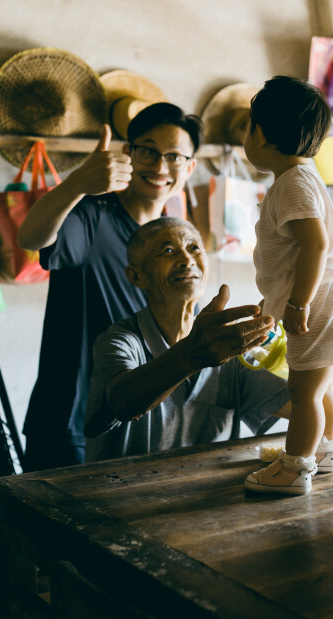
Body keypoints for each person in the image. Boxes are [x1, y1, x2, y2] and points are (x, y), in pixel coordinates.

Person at [84, 217, 333, 462]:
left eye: (193, 248)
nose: (186, 259)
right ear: (136, 276)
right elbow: (122, 404)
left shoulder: (230, 350)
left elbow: (315, 400)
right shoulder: (119, 342)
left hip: (192, 505)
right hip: (116, 505)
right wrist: (192, 355)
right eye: (168, 251)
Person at [17, 103, 202, 469]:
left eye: (175, 156)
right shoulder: (92, 216)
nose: (160, 166)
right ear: (128, 153)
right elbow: (31, 235)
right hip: (71, 422)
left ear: (190, 167)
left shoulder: (178, 237)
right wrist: (77, 184)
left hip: (141, 422)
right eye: (148, 151)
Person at [240, 75, 333, 495]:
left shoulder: (293, 182)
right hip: (327, 302)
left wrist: (297, 304)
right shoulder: (299, 177)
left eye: (247, 127)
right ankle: (323, 450)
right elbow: (296, 253)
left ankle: (294, 469)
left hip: (320, 304)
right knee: (320, 385)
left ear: (259, 133)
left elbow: (316, 245)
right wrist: (279, 298)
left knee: (304, 388)